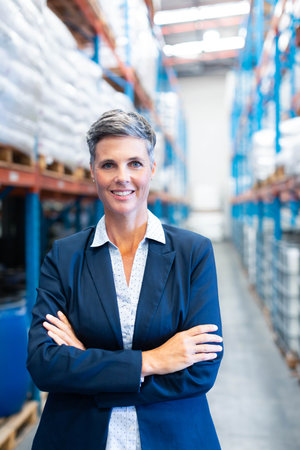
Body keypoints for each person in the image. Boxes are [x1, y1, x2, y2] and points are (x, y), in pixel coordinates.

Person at [27, 109, 223, 450]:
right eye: (108, 165)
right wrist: (154, 361)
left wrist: (87, 361)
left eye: (134, 163)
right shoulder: (64, 257)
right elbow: (44, 364)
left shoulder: (193, 254)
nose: (122, 177)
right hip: (78, 436)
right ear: (93, 172)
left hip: (172, 436)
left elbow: (200, 370)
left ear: (151, 169)